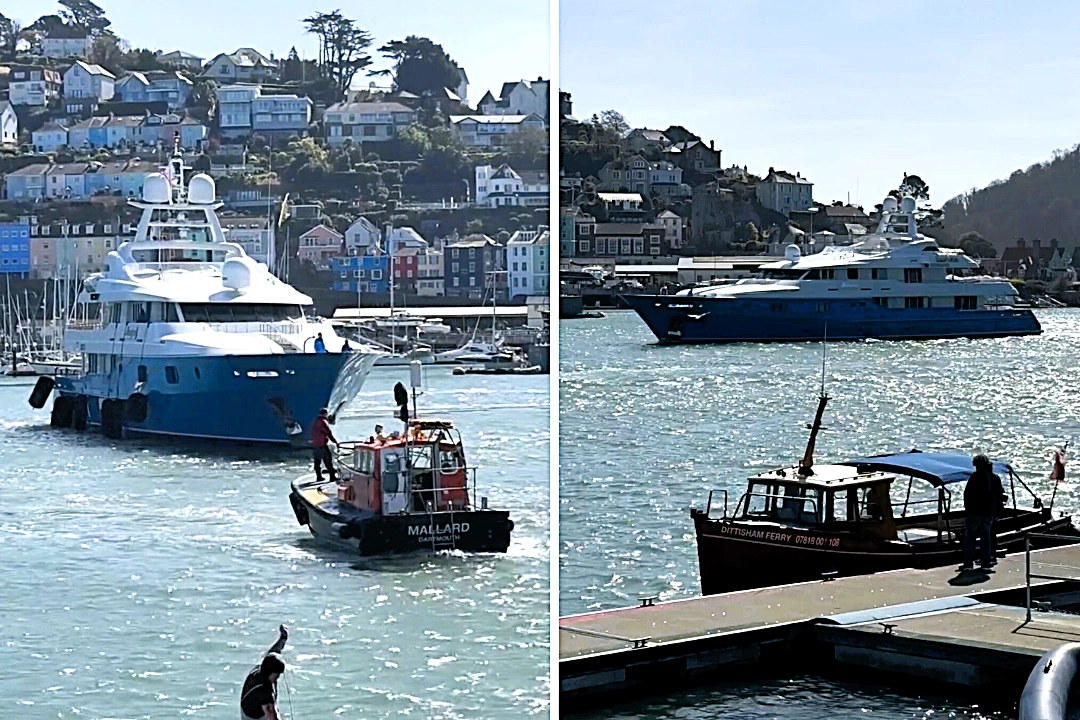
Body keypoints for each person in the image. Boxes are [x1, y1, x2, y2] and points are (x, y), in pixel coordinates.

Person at [961, 454, 1004, 571]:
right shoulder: (994, 478)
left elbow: (967, 494)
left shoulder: (975, 477)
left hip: (975, 512)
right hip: (988, 512)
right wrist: (996, 512)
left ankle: (969, 564)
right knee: (986, 537)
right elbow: (999, 496)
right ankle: (985, 562)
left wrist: (968, 509)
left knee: (970, 538)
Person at [240, 625, 288, 720]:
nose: (278, 677)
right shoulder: (264, 691)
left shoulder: (264, 666)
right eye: (277, 674)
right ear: (270, 672)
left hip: (252, 702)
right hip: (253, 717)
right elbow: (271, 716)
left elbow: (274, 652)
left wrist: (283, 639)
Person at [310, 408, 338, 483]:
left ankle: (319, 476)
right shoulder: (323, 422)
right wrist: (335, 441)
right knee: (328, 460)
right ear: (325, 414)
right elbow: (328, 432)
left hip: (315, 444)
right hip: (322, 445)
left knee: (317, 462)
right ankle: (332, 476)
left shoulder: (315, 422)